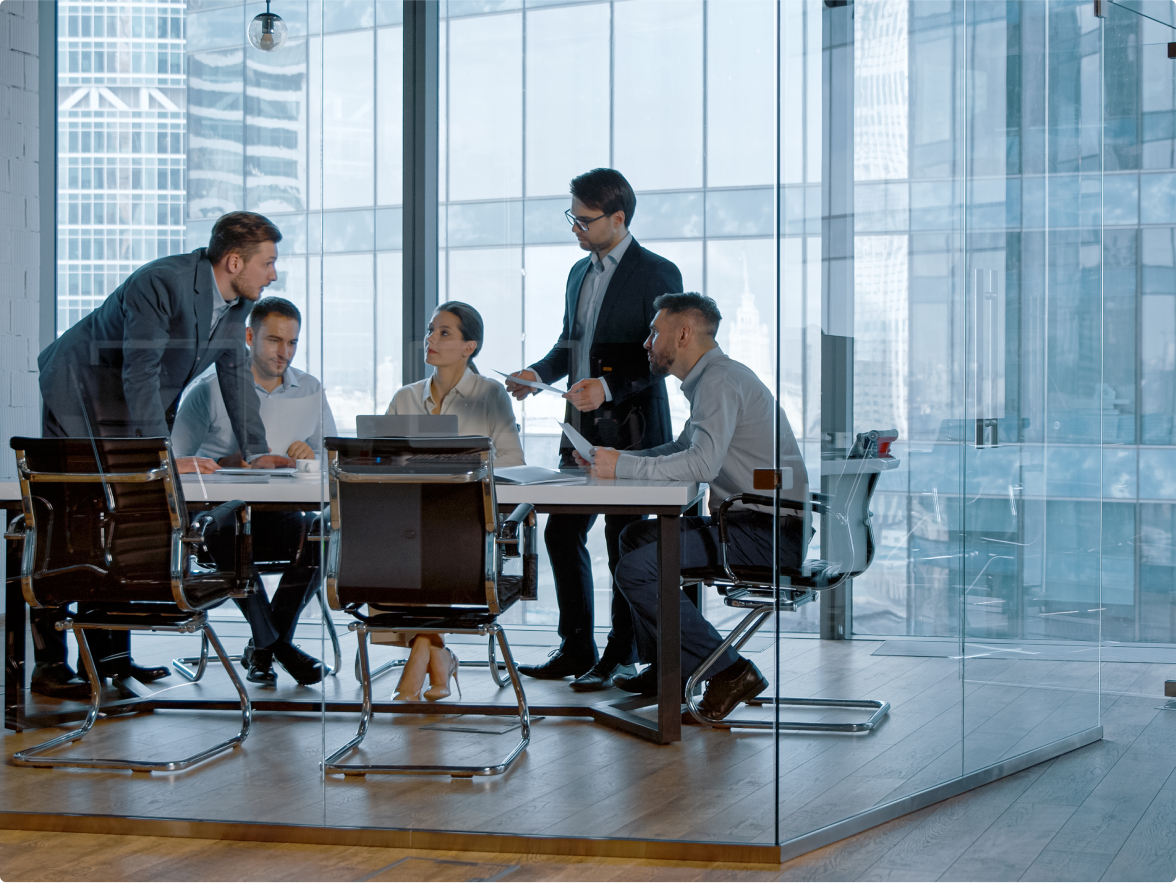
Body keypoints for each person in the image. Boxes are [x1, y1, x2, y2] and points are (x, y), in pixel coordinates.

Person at [30, 211, 291, 700]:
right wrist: (162, 457)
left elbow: (234, 380)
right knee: (75, 513)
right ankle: (49, 665)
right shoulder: (162, 282)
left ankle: (111, 657)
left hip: (132, 401)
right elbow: (140, 370)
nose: (273, 274)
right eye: (269, 262)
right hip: (80, 389)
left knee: (128, 515)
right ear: (235, 261)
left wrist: (256, 453)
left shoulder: (235, 307)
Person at [582, 293, 809, 721]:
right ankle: (670, 667)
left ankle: (729, 670)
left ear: (683, 334)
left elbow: (701, 464)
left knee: (636, 569)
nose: (647, 343)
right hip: (751, 525)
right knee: (636, 536)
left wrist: (623, 465)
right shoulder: (715, 380)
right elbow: (684, 448)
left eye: (655, 332)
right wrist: (613, 461)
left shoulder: (720, 381)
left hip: (768, 534)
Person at [505, 169, 683, 692]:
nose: (575, 229)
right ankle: (576, 645)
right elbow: (569, 344)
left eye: (583, 220)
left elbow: (663, 356)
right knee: (562, 530)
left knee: (621, 537)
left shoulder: (657, 272)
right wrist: (538, 374)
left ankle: (620, 655)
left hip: (632, 427)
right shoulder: (577, 274)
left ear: (619, 218)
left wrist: (608, 388)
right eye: (573, 218)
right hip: (579, 426)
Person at [172, 295, 335, 686]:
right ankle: (277, 648)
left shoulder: (308, 389)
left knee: (325, 531)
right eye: (274, 341)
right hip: (219, 519)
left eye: (292, 342)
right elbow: (173, 463)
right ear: (249, 335)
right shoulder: (209, 390)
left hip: (280, 514)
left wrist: (307, 456)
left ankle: (267, 645)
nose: (285, 352)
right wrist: (229, 462)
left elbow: (333, 459)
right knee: (231, 529)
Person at [383, 301, 525, 701]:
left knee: (420, 548)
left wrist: (464, 467)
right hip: (411, 521)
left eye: (445, 333)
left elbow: (514, 460)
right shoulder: (405, 398)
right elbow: (382, 462)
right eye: (431, 330)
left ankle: (424, 653)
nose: (431, 339)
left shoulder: (490, 395)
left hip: (467, 525)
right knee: (398, 544)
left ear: (470, 347)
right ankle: (433, 651)